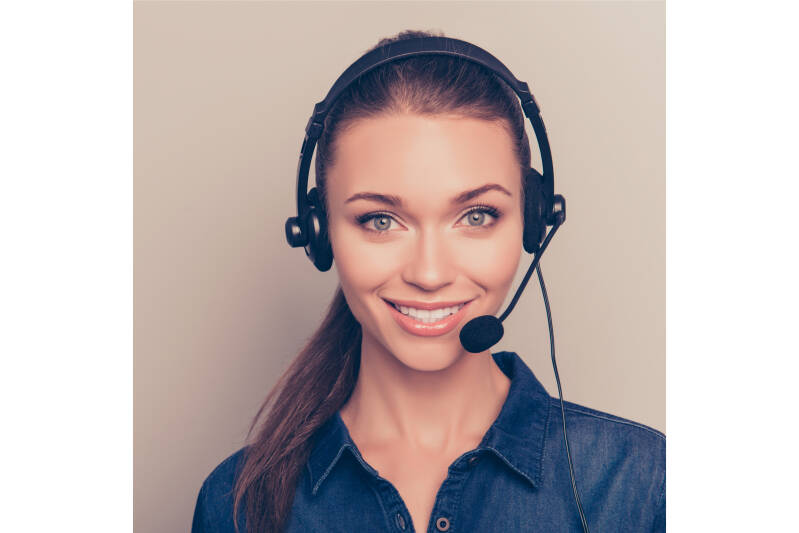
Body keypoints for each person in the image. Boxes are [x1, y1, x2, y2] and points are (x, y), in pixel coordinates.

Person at [191, 30, 665, 533]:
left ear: (534, 219)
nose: (430, 274)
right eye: (379, 220)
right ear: (319, 232)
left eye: (477, 215)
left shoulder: (641, 484)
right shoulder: (237, 504)